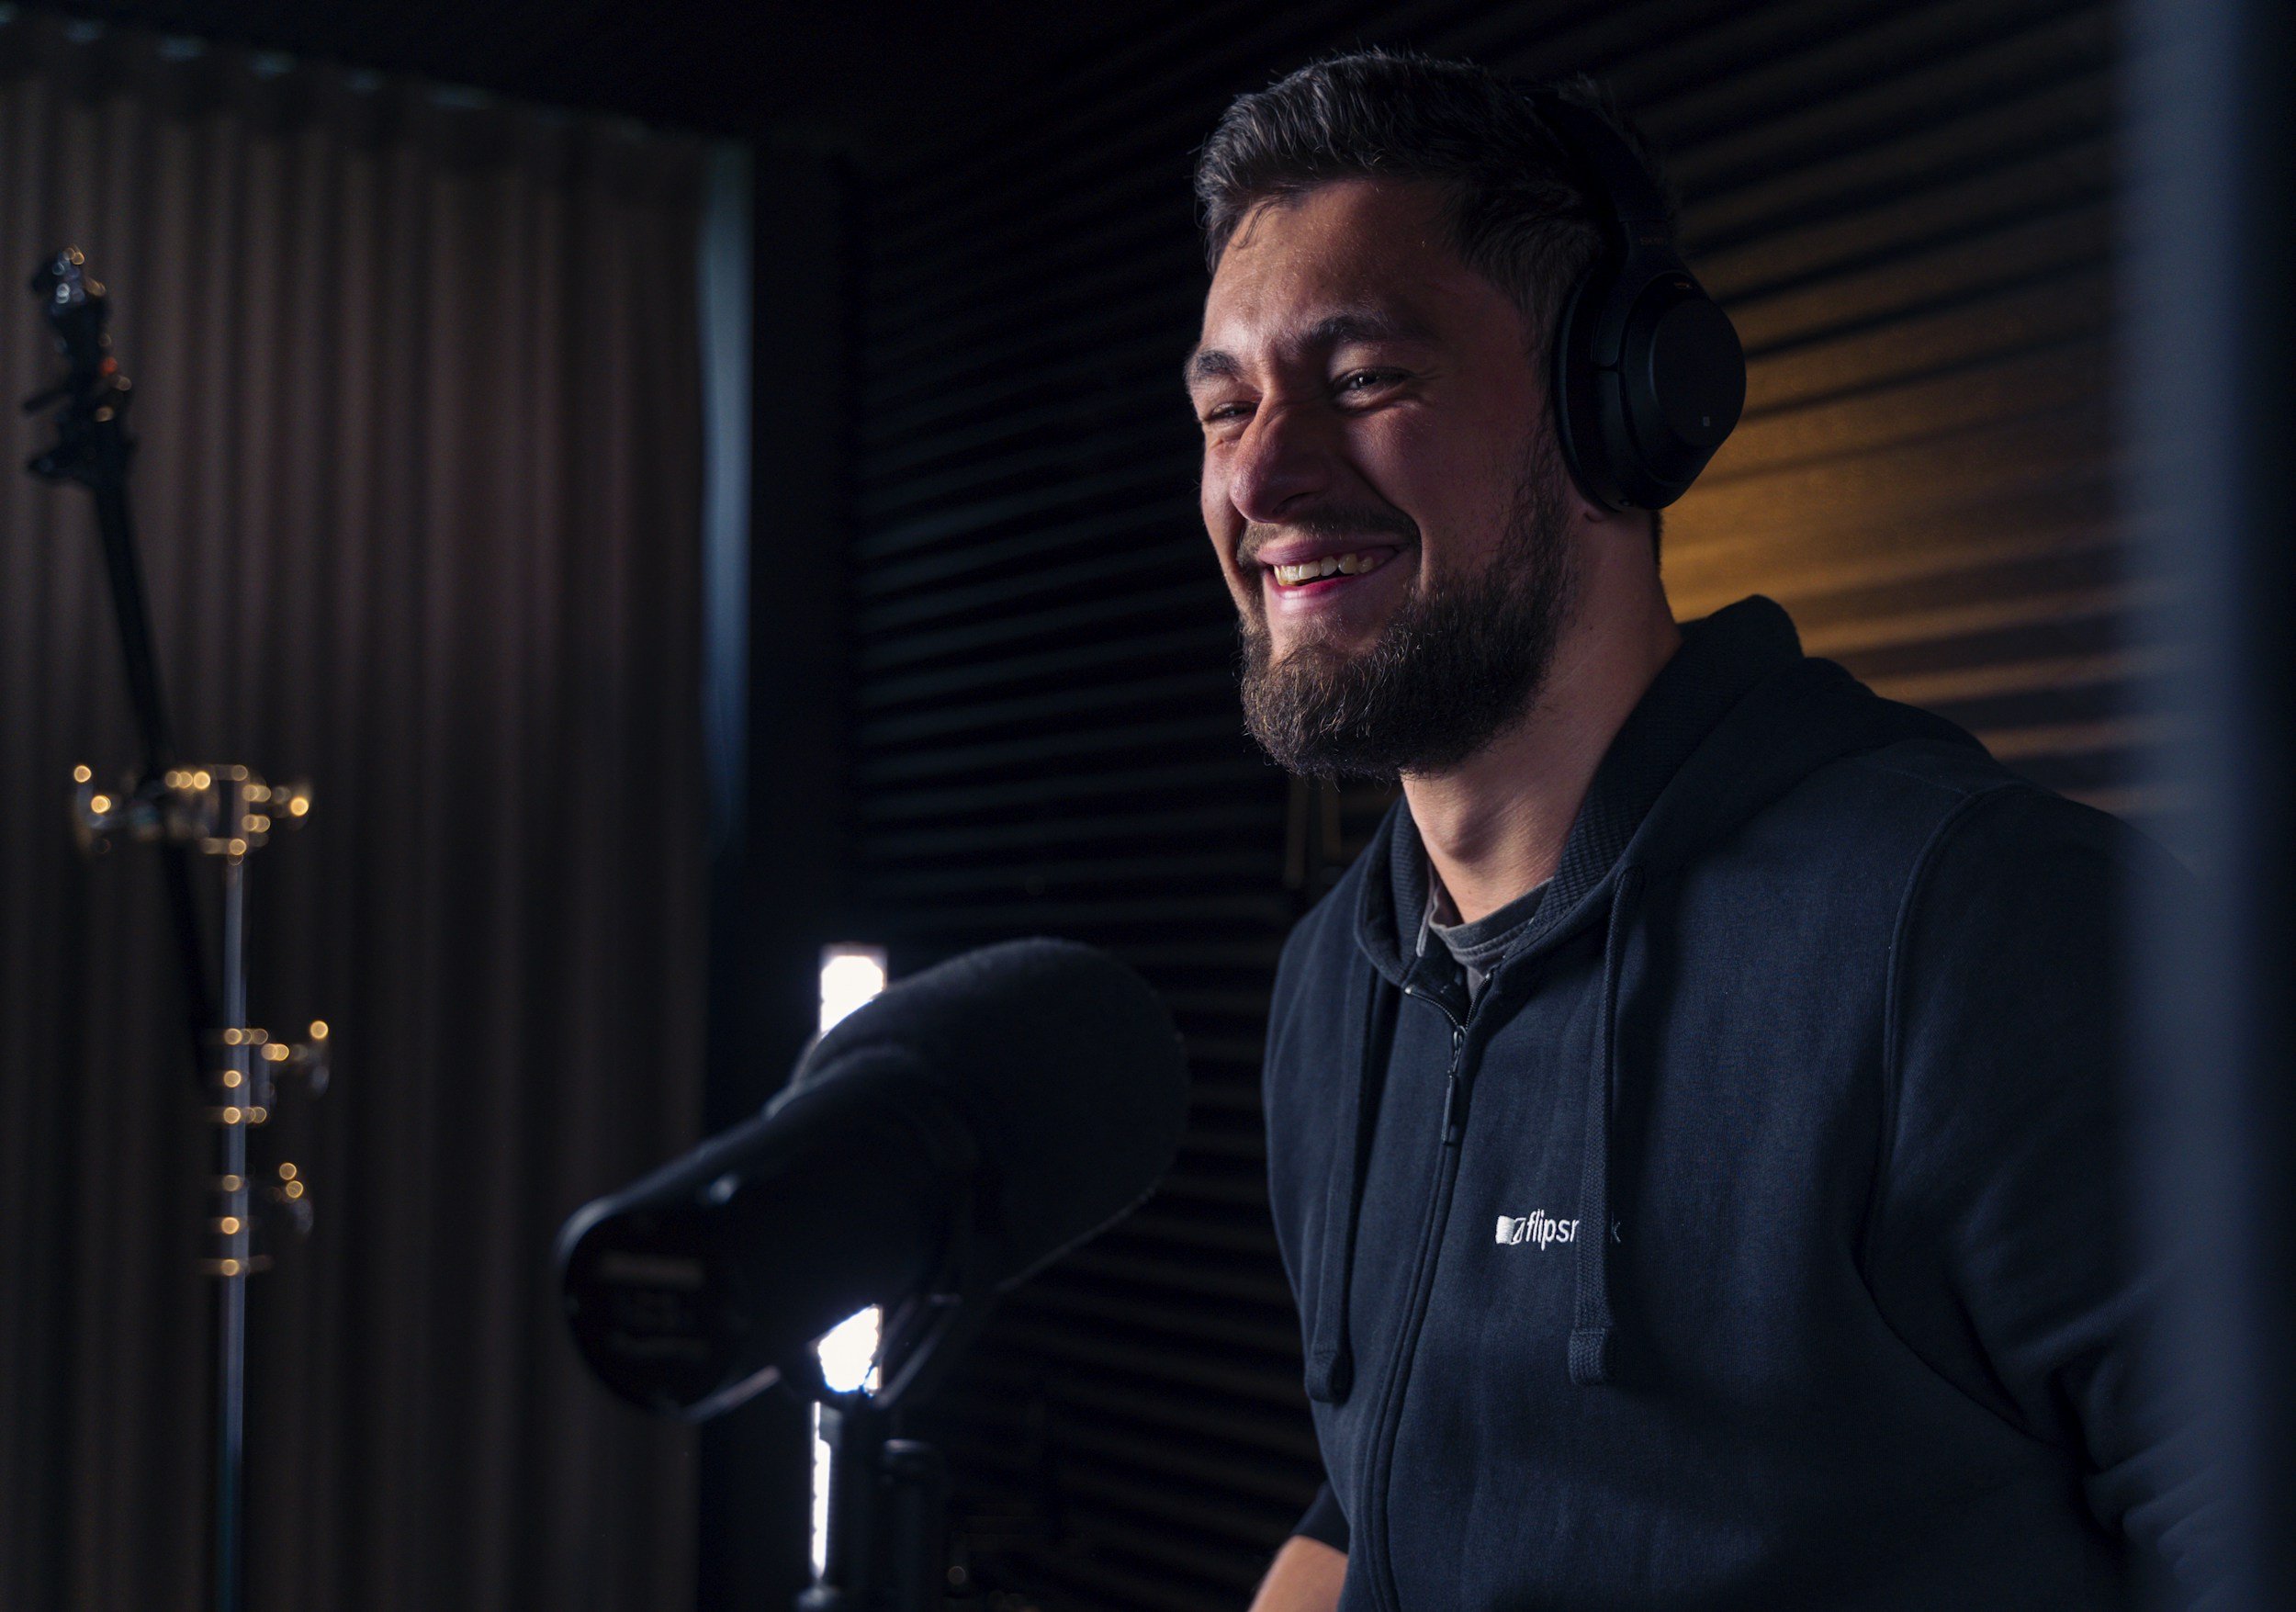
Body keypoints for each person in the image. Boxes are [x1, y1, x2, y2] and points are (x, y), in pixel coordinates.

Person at [1184, 50, 2200, 1610]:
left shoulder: (1980, 923)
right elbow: (1377, 1490)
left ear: (1623, 409)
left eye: (1368, 379)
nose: (1262, 473)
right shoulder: (1340, 985)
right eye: (1227, 404)